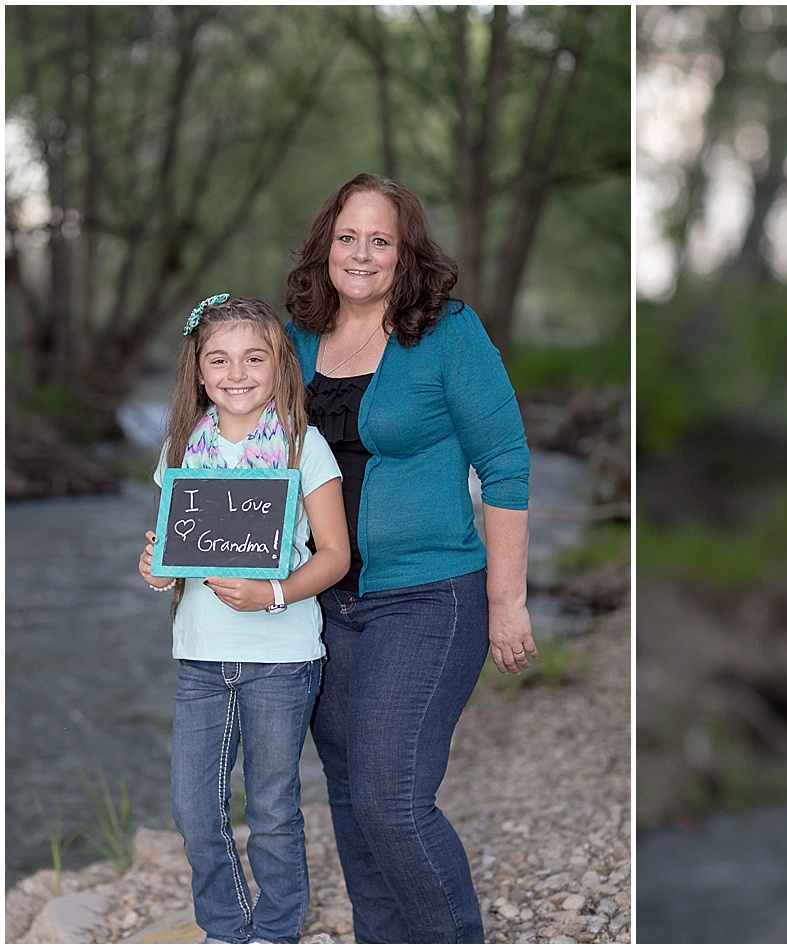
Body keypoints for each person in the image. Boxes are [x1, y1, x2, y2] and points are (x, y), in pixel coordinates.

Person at [283, 172, 534, 943]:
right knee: (353, 798)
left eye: (380, 240)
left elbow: (507, 463)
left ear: (405, 252)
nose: (361, 253)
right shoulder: (293, 338)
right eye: (347, 236)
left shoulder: (448, 331)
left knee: (393, 799)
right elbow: (247, 459)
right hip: (322, 602)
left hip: (429, 596)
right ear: (326, 244)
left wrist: (507, 599)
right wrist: (180, 535)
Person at [138, 296, 349, 944]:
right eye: (220, 359)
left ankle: (278, 929)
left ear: (278, 365)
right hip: (201, 657)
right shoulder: (181, 449)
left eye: (253, 357)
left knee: (272, 807)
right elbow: (173, 553)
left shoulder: (300, 444)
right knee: (195, 808)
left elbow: (337, 555)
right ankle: (227, 927)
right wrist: (156, 567)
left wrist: (274, 593)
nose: (237, 372)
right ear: (199, 372)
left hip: (281, 659)